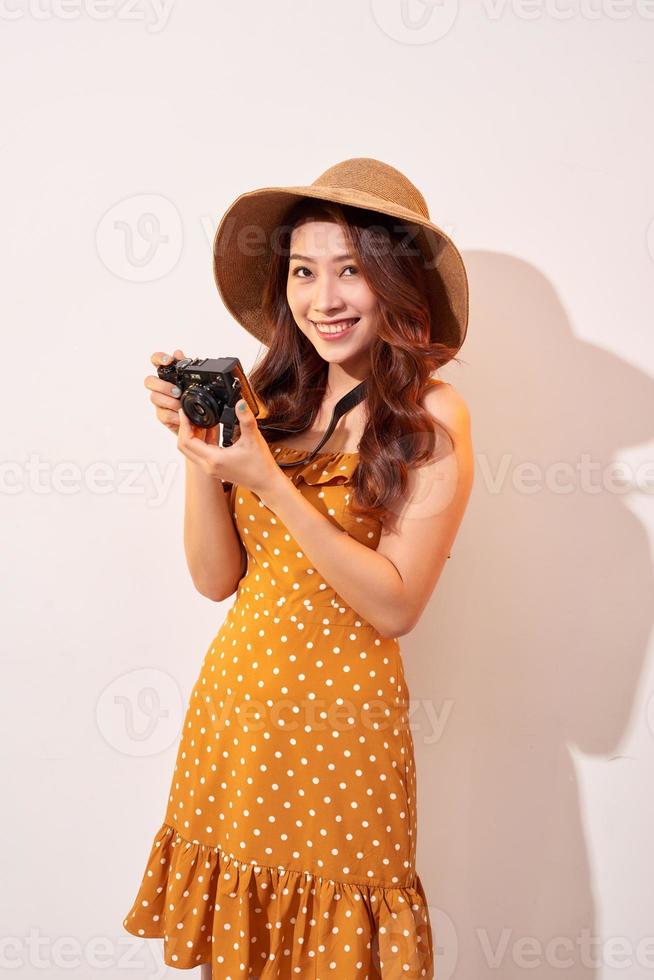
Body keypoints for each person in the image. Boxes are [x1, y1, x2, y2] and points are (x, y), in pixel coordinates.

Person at [123, 158, 474, 980]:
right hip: (237, 725)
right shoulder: (272, 399)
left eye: (351, 270)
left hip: (344, 742)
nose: (324, 299)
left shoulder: (433, 414)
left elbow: (394, 607)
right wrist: (200, 451)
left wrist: (270, 486)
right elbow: (215, 581)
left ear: (396, 281)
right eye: (304, 272)